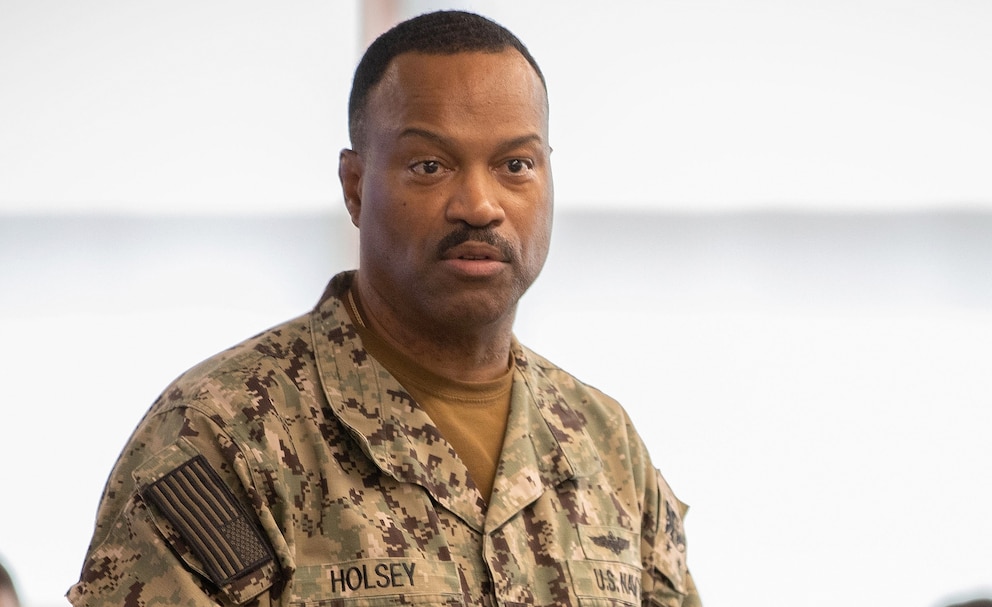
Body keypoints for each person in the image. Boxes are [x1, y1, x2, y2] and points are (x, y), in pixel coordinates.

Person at [68, 10, 701, 607]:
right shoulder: (227, 434)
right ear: (355, 187)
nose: (480, 205)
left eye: (516, 164)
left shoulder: (605, 444)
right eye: (430, 165)